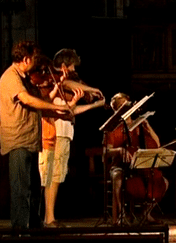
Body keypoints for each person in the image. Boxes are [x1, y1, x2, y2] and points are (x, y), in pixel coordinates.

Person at [0, 41, 70, 230]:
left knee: (33, 191)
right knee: (21, 191)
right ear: (26, 59)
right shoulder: (10, 77)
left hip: (31, 141)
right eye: (34, 60)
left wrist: (57, 103)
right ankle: (20, 232)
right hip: (18, 141)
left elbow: (40, 103)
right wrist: (56, 106)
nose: (36, 65)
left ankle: (35, 229)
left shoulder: (24, 77)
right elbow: (27, 99)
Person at [38, 48, 106, 228]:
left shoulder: (61, 85)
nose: (75, 73)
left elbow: (71, 109)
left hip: (63, 134)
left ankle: (49, 217)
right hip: (55, 134)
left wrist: (94, 103)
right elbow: (68, 84)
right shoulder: (57, 82)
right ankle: (49, 219)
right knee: (52, 177)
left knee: (57, 176)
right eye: (73, 67)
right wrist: (91, 89)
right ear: (63, 66)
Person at [104, 92, 168, 225]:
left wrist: (148, 127)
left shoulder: (138, 124)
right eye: (120, 106)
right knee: (117, 177)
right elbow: (106, 151)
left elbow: (156, 143)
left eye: (125, 104)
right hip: (120, 165)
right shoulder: (112, 128)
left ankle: (146, 212)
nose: (124, 107)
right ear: (115, 109)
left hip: (140, 166)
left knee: (164, 182)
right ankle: (121, 215)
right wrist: (119, 150)